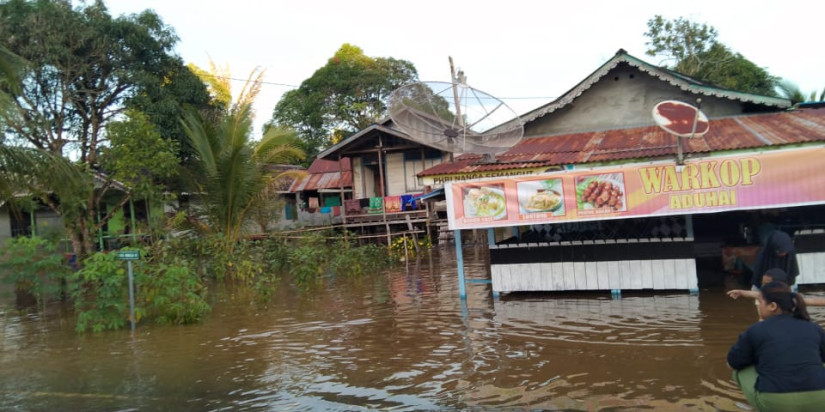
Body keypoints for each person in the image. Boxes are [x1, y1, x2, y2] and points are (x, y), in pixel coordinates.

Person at [727, 281, 825, 411]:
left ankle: (758, 406)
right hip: (820, 398)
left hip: (776, 402)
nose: (758, 307)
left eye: (760, 302)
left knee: (740, 368)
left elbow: (732, 363)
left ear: (772, 306)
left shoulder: (756, 329)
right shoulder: (814, 327)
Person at [728, 268, 825, 307]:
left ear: (779, 285)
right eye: (763, 284)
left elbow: (813, 301)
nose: (763, 287)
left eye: (766, 284)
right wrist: (740, 292)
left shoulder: (791, 300)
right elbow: (754, 294)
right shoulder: (766, 297)